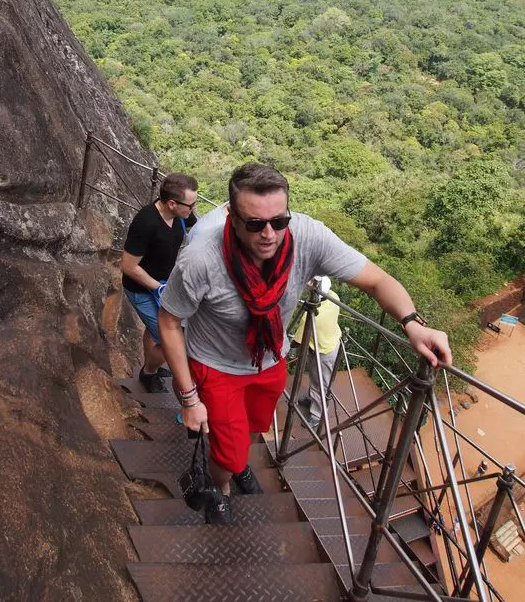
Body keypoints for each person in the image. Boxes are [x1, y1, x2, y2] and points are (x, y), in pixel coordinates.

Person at [158, 163, 452, 524]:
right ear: (231, 216)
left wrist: (413, 324)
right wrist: (189, 399)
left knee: (251, 428)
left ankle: (235, 463)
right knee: (229, 452)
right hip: (216, 366)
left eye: (278, 222)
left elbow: (376, 280)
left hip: (270, 360)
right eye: (255, 224)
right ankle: (222, 489)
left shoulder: (308, 238)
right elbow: (170, 322)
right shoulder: (201, 260)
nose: (269, 234)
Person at [121, 173, 198, 393]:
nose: (193, 209)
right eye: (190, 205)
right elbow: (128, 265)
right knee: (170, 340)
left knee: (156, 330)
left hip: (165, 284)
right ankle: (148, 373)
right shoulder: (146, 222)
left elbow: (198, 229)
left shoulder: (182, 215)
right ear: (172, 203)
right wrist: (158, 287)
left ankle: (151, 366)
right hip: (143, 289)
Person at [292, 284, 342, 429]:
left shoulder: (313, 315)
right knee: (316, 380)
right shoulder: (334, 297)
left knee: (320, 385)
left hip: (322, 353)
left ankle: (316, 415)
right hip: (332, 344)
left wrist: (285, 348)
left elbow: (297, 340)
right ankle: (312, 399)